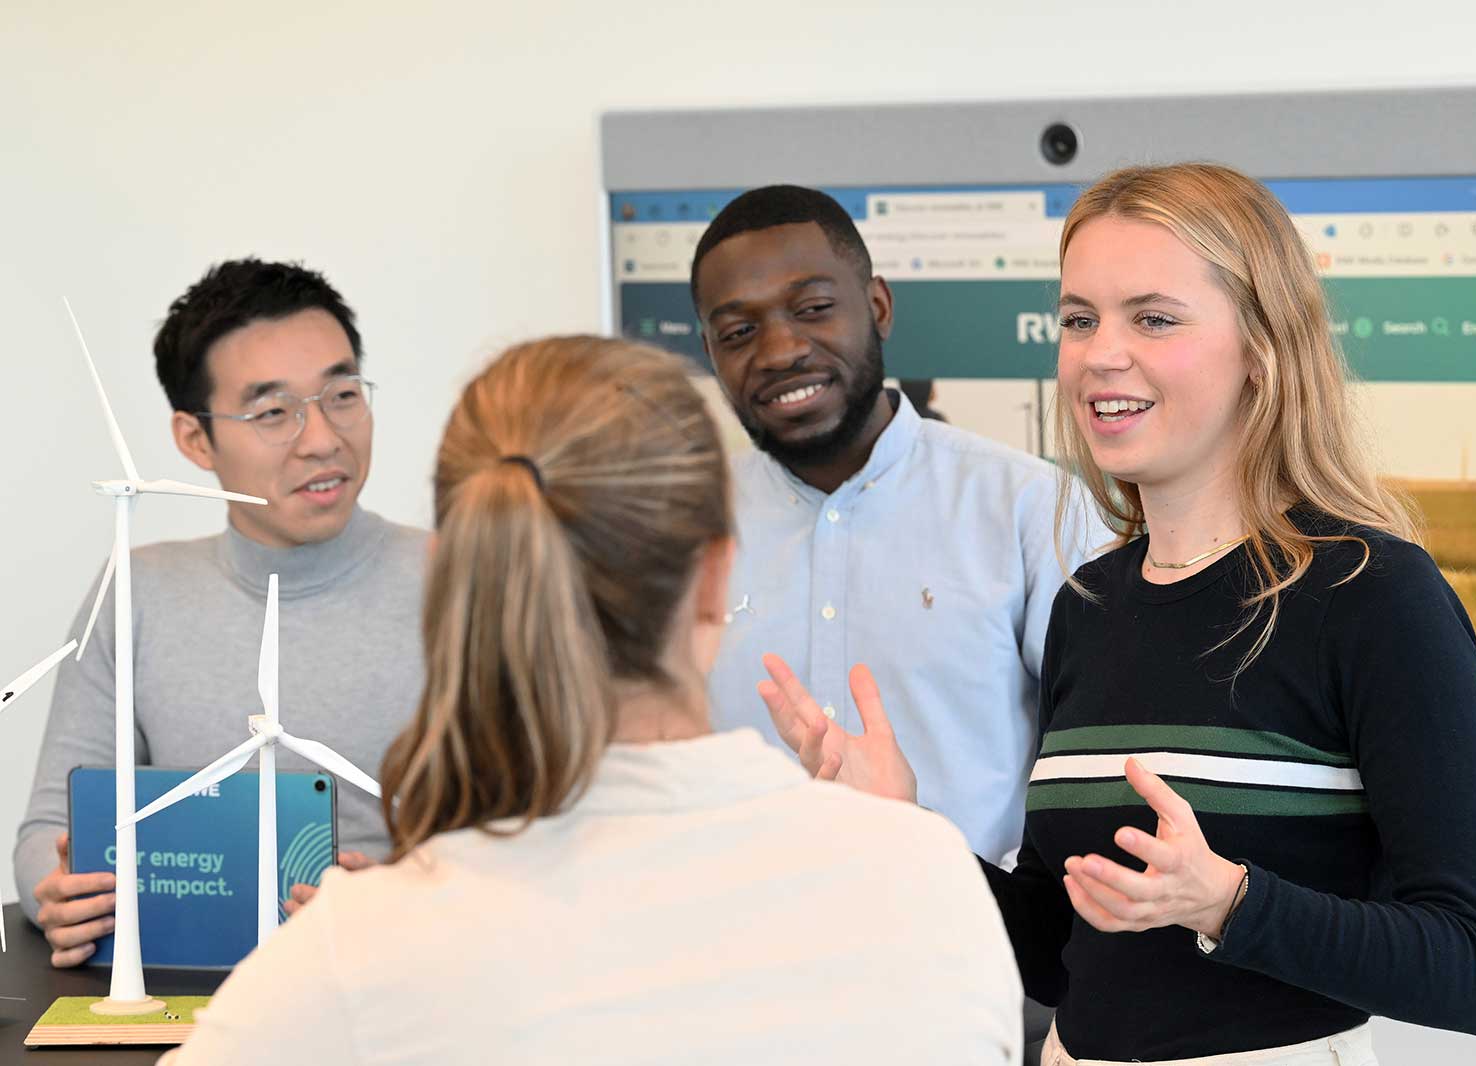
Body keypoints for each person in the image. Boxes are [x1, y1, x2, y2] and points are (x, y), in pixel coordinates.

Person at [763, 164, 1476, 1064]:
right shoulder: (1090, 603)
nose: (1098, 353)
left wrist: (1227, 901)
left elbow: (1474, 970)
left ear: (1261, 348)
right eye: (1078, 319)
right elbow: (1055, 951)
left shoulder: (1372, 595)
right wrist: (908, 837)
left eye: (1152, 318)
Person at [159, 336, 1022, 1065]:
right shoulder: (926, 883)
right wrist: (881, 836)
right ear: (716, 577)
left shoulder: (355, 954)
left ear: (466, 585)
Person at [15, 258, 427, 966]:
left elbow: (545, 832)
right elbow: (52, 825)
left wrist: (403, 899)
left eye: (343, 393)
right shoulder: (137, 590)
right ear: (195, 439)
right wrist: (53, 891)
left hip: (408, 983)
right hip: (189, 994)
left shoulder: (468, 582)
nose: (323, 437)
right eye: (274, 412)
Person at [693, 185, 1108, 867]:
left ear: (878, 308)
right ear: (712, 354)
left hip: (968, 952)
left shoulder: (1032, 510)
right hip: (742, 959)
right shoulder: (680, 532)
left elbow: (1095, 779)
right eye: (739, 332)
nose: (778, 351)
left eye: (814, 309)